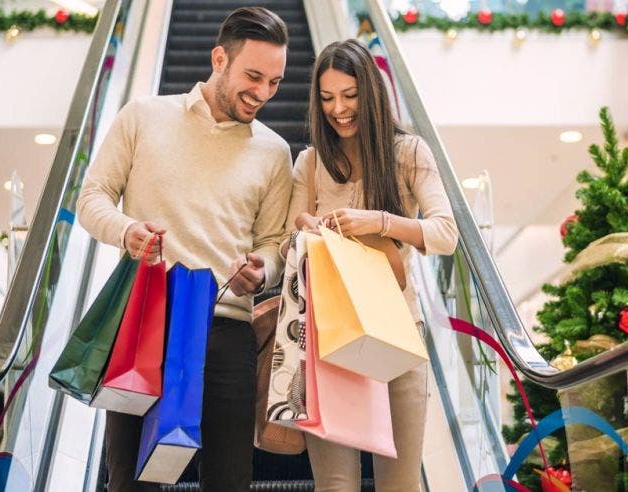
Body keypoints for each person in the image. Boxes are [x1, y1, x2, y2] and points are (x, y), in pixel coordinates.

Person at [76, 7, 293, 491]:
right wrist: (127, 231)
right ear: (220, 58)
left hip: (228, 332)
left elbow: (275, 243)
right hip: (145, 324)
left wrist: (262, 269)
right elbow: (91, 198)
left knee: (229, 481)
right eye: (253, 76)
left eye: (275, 82)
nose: (263, 93)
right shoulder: (142, 117)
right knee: (131, 481)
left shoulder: (275, 152)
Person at [286, 39, 458, 491]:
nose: (338, 109)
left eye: (349, 95)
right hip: (329, 339)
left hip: (398, 331)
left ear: (372, 93)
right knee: (334, 485)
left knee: (399, 485)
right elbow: (289, 241)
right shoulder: (310, 162)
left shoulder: (408, 153)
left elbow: (445, 233)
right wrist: (305, 227)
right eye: (326, 99)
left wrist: (378, 221)